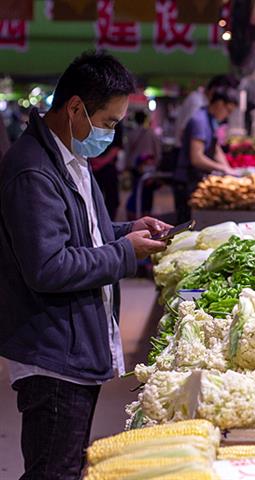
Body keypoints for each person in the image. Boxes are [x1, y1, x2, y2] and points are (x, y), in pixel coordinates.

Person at [0, 51, 170, 479]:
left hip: (74, 344)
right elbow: (49, 266)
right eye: (109, 123)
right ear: (76, 108)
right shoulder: (33, 173)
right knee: (54, 470)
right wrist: (126, 252)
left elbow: (84, 230)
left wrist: (129, 228)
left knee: (65, 464)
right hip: (53, 355)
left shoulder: (71, 157)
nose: (111, 134)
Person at [173, 86, 238, 223]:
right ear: (220, 104)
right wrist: (223, 169)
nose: (227, 115)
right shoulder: (200, 121)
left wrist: (228, 169)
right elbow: (197, 158)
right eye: (228, 111)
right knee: (185, 227)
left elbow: (216, 148)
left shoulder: (211, 120)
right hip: (187, 182)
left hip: (195, 179)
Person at [126, 110, 162, 219]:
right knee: (148, 193)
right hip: (150, 168)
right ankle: (146, 214)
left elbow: (128, 152)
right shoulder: (151, 133)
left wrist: (127, 166)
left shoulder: (131, 134)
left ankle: (137, 214)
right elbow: (158, 151)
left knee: (137, 191)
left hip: (136, 167)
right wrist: (157, 165)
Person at [90, 122, 123, 220]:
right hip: (92, 165)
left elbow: (117, 145)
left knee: (111, 200)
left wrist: (101, 162)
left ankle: (108, 225)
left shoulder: (116, 121)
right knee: (92, 200)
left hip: (107, 167)